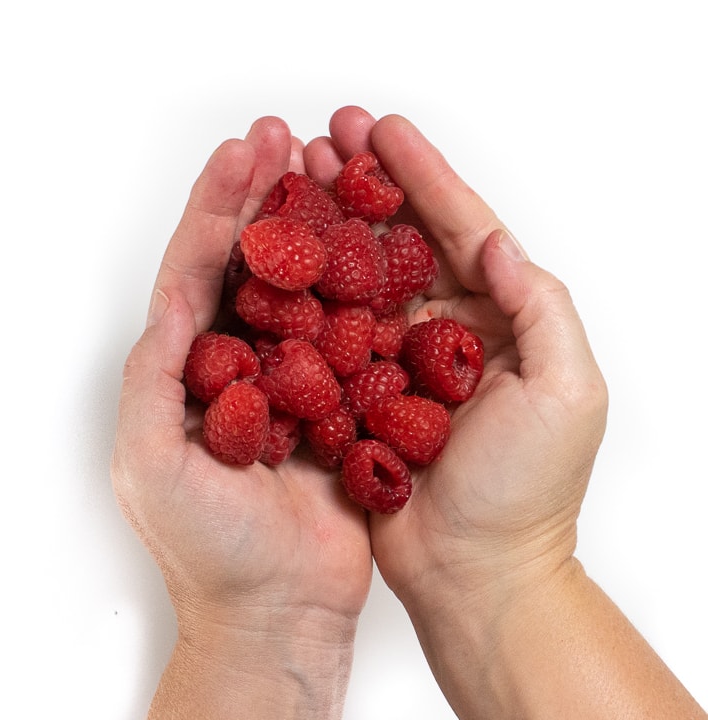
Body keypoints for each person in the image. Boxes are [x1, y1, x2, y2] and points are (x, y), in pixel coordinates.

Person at [111, 105, 707, 719]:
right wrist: (509, 572)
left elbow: (349, 341)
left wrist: (505, 559)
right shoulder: (316, 342)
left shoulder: (363, 333)